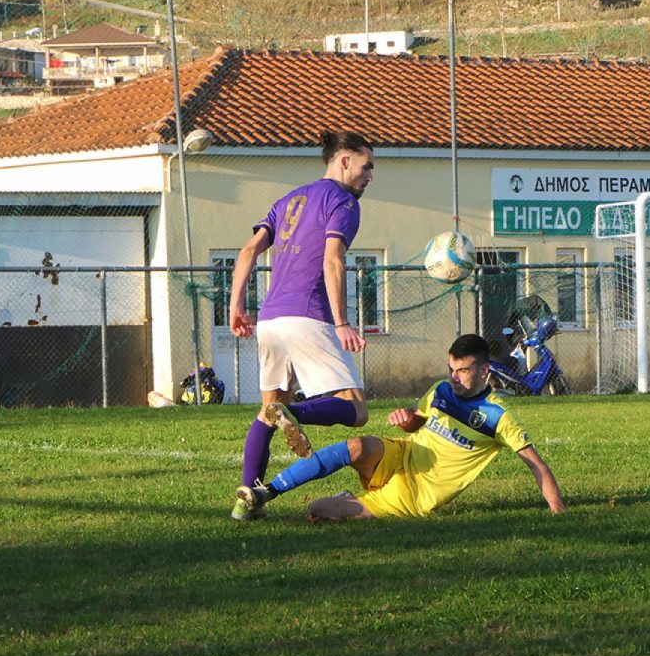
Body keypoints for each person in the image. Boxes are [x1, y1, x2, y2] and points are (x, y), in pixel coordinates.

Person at [235, 334, 566, 521]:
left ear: (484, 371)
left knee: (316, 512)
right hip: (400, 455)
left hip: (413, 496)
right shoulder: (441, 390)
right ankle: (267, 491)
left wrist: (558, 513)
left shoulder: (498, 416)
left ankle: (345, 500)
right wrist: (406, 420)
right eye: (451, 368)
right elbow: (415, 424)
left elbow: (536, 465)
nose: (454, 377)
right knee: (357, 445)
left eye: (462, 371)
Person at [228, 130, 375, 521]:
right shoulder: (343, 201)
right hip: (308, 314)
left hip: (271, 319)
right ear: (344, 161)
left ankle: (247, 500)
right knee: (356, 410)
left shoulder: (288, 198)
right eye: (366, 166)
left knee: (268, 410)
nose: (369, 176)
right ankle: (298, 415)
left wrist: (237, 306)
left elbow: (247, 251)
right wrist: (342, 321)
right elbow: (333, 261)